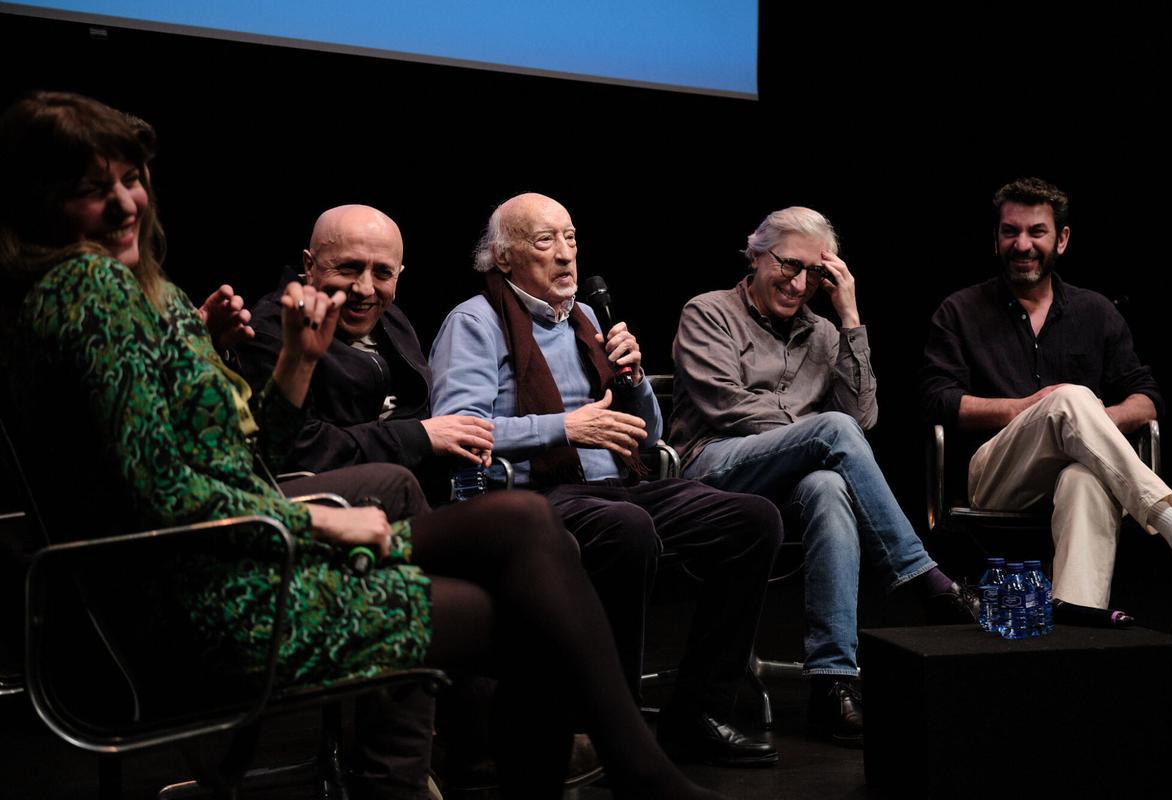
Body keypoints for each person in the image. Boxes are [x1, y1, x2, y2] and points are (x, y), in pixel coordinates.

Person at [0, 91, 729, 800]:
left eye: (133, 180)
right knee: (529, 609)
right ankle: (631, 771)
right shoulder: (90, 289)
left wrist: (293, 360)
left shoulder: (118, 289)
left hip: (227, 559)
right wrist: (321, 519)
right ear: (40, 199)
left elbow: (241, 460)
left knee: (524, 526)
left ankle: (632, 770)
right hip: (212, 598)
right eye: (95, 189)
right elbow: (166, 494)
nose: (126, 203)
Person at [429, 192, 784, 767]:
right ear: (503, 258)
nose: (566, 255)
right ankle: (613, 725)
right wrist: (564, 427)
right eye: (546, 242)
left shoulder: (588, 319)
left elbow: (645, 437)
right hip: (531, 500)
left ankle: (700, 710)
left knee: (752, 519)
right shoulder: (474, 323)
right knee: (627, 527)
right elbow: (459, 432)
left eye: (571, 238)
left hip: (616, 488)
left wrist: (637, 379)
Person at [670, 206, 977, 747]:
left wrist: (851, 318)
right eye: (788, 265)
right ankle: (927, 581)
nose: (799, 282)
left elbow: (861, 423)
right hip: (711, 468)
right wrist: (814, 433)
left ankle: (833, 684)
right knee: (830, 435)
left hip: (791, 482)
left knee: (831, 484)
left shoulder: (825, 335)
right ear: (756, 255)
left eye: (816, 273)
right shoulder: (709, 312)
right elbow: (727, 408)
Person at [919, 177, 1172, 624]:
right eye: (1010, 232)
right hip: (995, 471)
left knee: (1085, 478)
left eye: (1036, 232)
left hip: (1080, 465)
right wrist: (1032, 407)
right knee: (1070, 398)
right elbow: (938, 402)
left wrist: (1087, 421)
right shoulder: (959, 310)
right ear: (996, 239)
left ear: (1062, 240)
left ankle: (1073, 630)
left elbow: (1147, 400)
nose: (1022, 244)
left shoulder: (1096, 312)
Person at [237, 205, 495, 490]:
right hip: (345, 508)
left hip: (420, 491)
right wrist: (417, 436)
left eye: (383, 273)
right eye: (349, 268)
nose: (365, 289)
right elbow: (296, 450)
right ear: (310, 266)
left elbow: (422, 413)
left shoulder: (391, 318)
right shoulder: (271, 333)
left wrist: (457, 439)